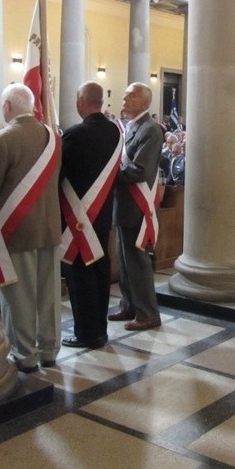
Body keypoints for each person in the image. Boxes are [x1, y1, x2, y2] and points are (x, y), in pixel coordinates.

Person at [0, 84, 62, 373]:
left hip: (18, 229)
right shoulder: (54, 137)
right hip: (49, 226)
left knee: (19, 296)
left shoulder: (3, 139)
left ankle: (25, 354)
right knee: (48, 294)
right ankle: (49, 349)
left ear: (8, 107)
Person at [59, 82, 121, 350]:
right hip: (103, 216)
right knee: (99, 272)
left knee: (80, 277)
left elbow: (58, 174)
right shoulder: (115, 132)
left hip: (77, 221)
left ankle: (86, 333)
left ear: (82, 101)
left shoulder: (75, 135)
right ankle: (100, 330)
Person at [109, 82, 164, 331]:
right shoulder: (130, 127)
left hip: (136, 204)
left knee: (137, 262)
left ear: (145, 103)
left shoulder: (150, 129)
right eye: (125, 94)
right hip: (124, 204)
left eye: (131, 95)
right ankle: (129, 305)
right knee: (124, 259)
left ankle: (148, 313)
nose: (125, 98)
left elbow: (139, 170)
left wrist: (108, 171)